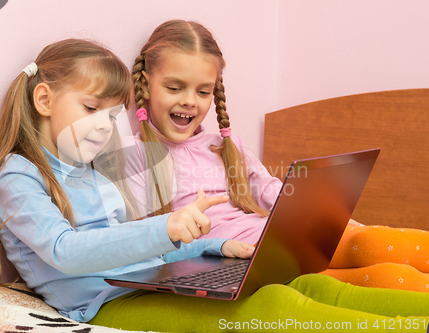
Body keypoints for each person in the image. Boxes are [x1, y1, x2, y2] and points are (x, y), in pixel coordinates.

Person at [128, 19, 429, 294]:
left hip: (280, 244)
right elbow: (137, 241)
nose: (189, 101)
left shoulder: (223, 145)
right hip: (244, 259)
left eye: (203, 92)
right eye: (174, 87)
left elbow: (275, 193)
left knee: (372, 242)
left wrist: (338, 222)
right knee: (386, 277)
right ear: (145, 83)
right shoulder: (134, 158)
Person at [0, 38, 252, 324]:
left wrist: (212, 247)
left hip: (146, 288)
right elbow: (63, 251)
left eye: (112, 114)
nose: (105, 124)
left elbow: (139, 252)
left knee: (281, 290)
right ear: (44, 100)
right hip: (105, 303)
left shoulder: (94, 174)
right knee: (273, 306)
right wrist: (164, 227)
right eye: (91, 108)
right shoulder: (18, 175)